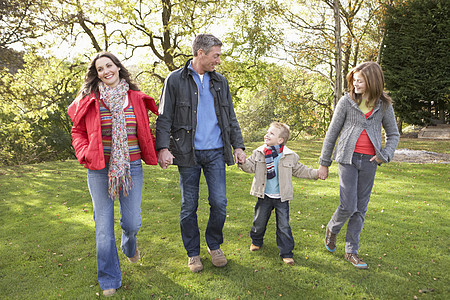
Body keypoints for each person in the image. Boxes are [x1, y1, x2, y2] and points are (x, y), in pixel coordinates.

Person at [67, 52, 158, 296]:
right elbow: (77, 131)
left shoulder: (135, 98)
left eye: (109, 65)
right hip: (99, 169)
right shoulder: (89, 99)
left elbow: (147, 128)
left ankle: (129, 246)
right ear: (96, 74)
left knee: (132, 222)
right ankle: (109, 279)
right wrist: (84, 151)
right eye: (100, 69)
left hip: (131, 167)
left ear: (118, 67)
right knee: (103, 228)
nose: (106, 71)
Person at [156, 34, 246, 272]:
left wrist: (238, 145)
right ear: (200, 53)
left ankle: (214, 245)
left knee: (220, 203)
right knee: (189, 206)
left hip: (216, 151)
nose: (218, 60)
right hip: (188, 154)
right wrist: (163, 148)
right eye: (215, 55)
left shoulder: (220, 82)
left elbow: (230, 116)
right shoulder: (174, 80)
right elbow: (164, 117)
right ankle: (193, 253)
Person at [318, 61, 400, 269]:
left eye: (360, 81)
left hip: (370, 161)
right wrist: (324, 163)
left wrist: (385, 155)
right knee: (348, 205)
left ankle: (351, 251)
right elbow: (332, 134)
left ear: (372, 81)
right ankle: (332, 229)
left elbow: (393, 134)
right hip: (347, 158)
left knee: (360, 209)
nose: (355, 84)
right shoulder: (346, 102)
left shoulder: (384, 105)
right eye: (354, 80)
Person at [238, 122, 319, 265]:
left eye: (271, 133)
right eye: (267, 132)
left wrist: (316, 173)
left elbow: (301, 170)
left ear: (280, 140)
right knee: (259, 221)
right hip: (264, 195)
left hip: (282, 197)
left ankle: (286, 252)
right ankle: (256, 241)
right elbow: (249, 167)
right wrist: (242, 162)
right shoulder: (259, 152)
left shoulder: (289, 156)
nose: (267, 135)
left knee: (283, 226)